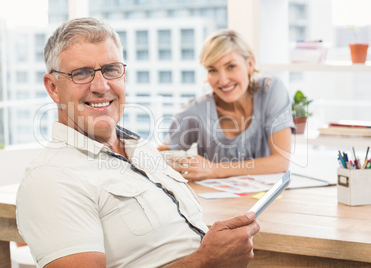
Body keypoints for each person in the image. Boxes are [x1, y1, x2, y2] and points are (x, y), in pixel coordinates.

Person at [16, 18, 260, 268]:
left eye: (111, 69)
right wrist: (205, 261)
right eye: (81, 74)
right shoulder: (51, 178)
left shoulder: (139, 148)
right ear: (53, 87)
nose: (101, 86)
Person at [158, 29, 295, 181]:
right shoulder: (196, 110)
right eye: (212, 70)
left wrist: (213, 170)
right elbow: (160, 156)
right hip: (215, 202)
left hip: (266, 199)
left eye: (231, 66)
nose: (222, 80)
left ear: (250, 64)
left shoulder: (270, 91)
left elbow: (280, 162)